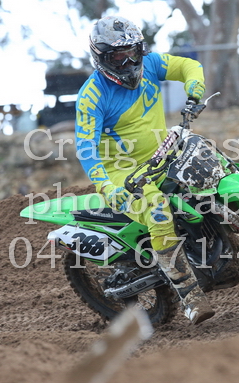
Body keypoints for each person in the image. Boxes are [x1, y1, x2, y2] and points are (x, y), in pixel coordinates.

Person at [75, 16, 214, 325]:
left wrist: (194, 89)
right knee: (159, 210)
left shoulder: (150, 64)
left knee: (210, 167)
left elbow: (188, 66)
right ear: (101, 57)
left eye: (132, 53)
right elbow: (85, 147)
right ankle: (190, 295)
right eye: (118, 57)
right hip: (122, 173)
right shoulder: (92, 95)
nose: (128, 62)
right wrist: (106, 186)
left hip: (162, 154)